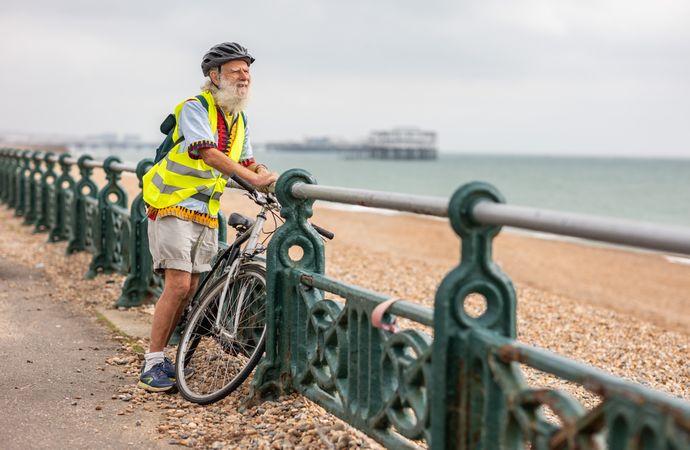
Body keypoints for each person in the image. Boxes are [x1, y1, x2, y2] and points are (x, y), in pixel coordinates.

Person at [138, 42, 278, 392]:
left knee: (194, 286)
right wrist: (252, 178)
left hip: (205, 210)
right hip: (171, 201)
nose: (244, 77)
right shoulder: (195, 107)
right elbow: (208, 153)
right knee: (179, 284)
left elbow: (245, 161)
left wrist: (265, 175)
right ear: (215, 76)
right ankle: (152, 362)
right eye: (236, 71)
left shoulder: (239, 117)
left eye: (247, 71)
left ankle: (174, 352)